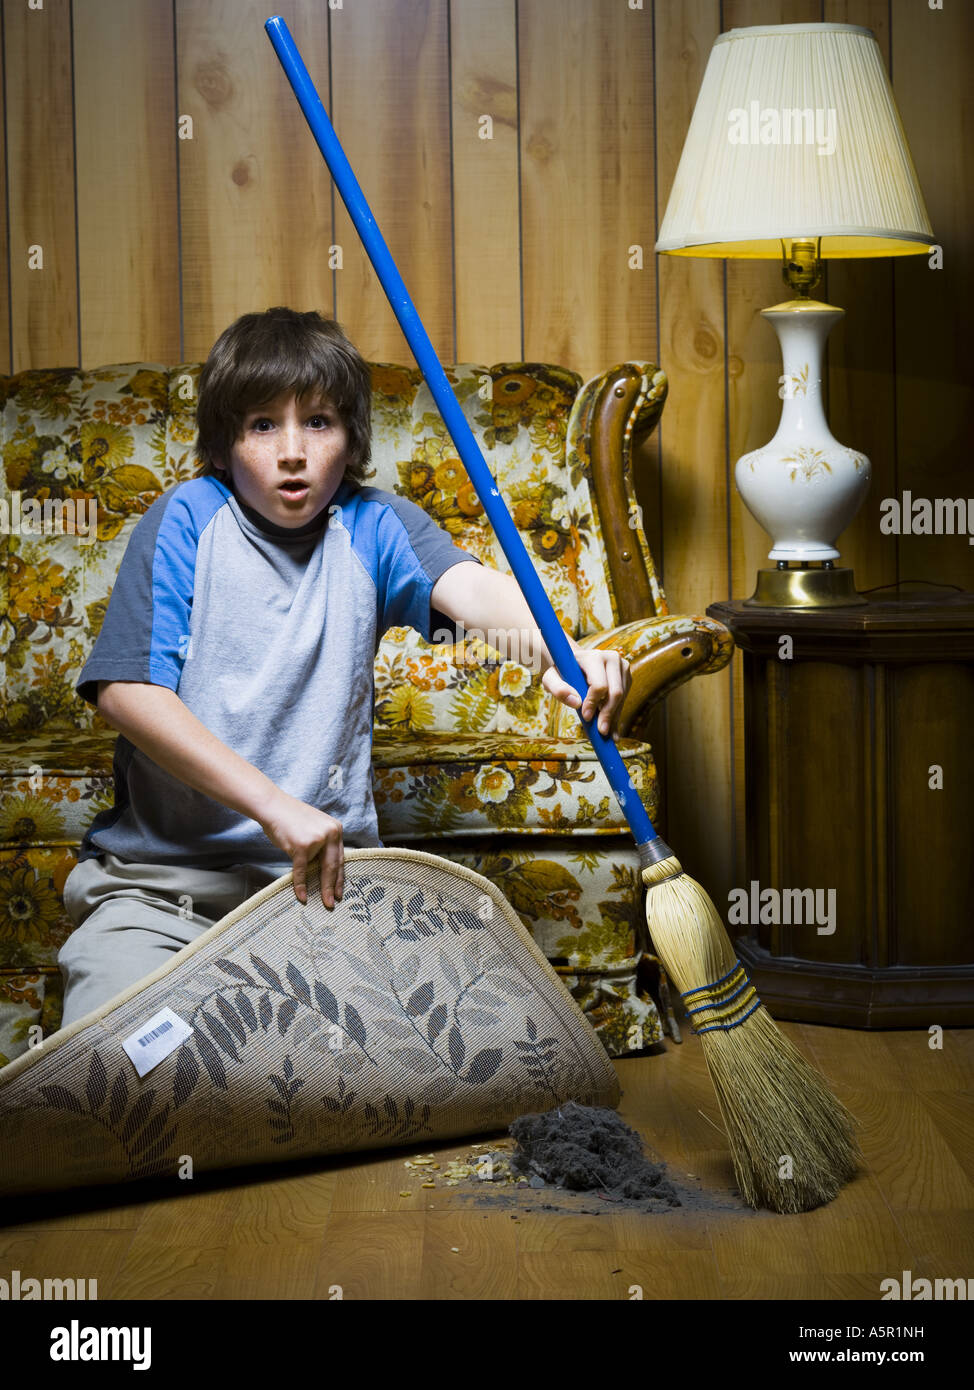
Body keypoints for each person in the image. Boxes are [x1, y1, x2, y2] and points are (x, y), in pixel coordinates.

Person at [56, 307, 631, 1028]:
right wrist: (273, 805)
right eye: (263, 425)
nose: (292, 451)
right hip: (162, 893)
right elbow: (126, 693)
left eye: (319, 422)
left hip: (321, 892)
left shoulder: (373, 525)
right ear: (225, 443)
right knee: (116, 1067)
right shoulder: (185, 520)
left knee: (469, 1042)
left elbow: (479, 593)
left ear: (351, 438)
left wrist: (563, 651)